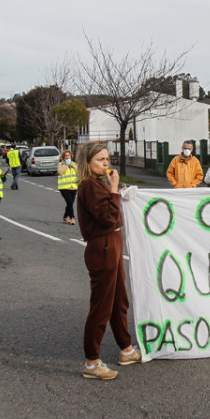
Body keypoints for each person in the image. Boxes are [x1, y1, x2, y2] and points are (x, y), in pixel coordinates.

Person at [76, 143, 141, 380]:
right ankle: (92, 362)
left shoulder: (97, 184)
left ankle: (126, 349)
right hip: (103, 246)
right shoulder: (89, 186)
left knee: (118, 301)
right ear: (87, 162)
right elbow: (107, 217)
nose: (106, 163)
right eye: (100, 159)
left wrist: (116, 193)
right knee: (102, 306)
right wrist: (114, 192)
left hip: (111, 244)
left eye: (107, 158)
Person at [57, 149, 78, 224]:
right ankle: (72, 218)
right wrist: (66, 165)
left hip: (73, 187)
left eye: (68, 155)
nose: (67, 157)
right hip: (64, 187)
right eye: (65, 156)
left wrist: (73, 167)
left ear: (71, 156)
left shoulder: (74, 164)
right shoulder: (61, 164)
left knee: (70, 203)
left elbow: (79, 173)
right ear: (63, 157)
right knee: (69, 202)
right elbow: (60, 172)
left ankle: (65, 217)